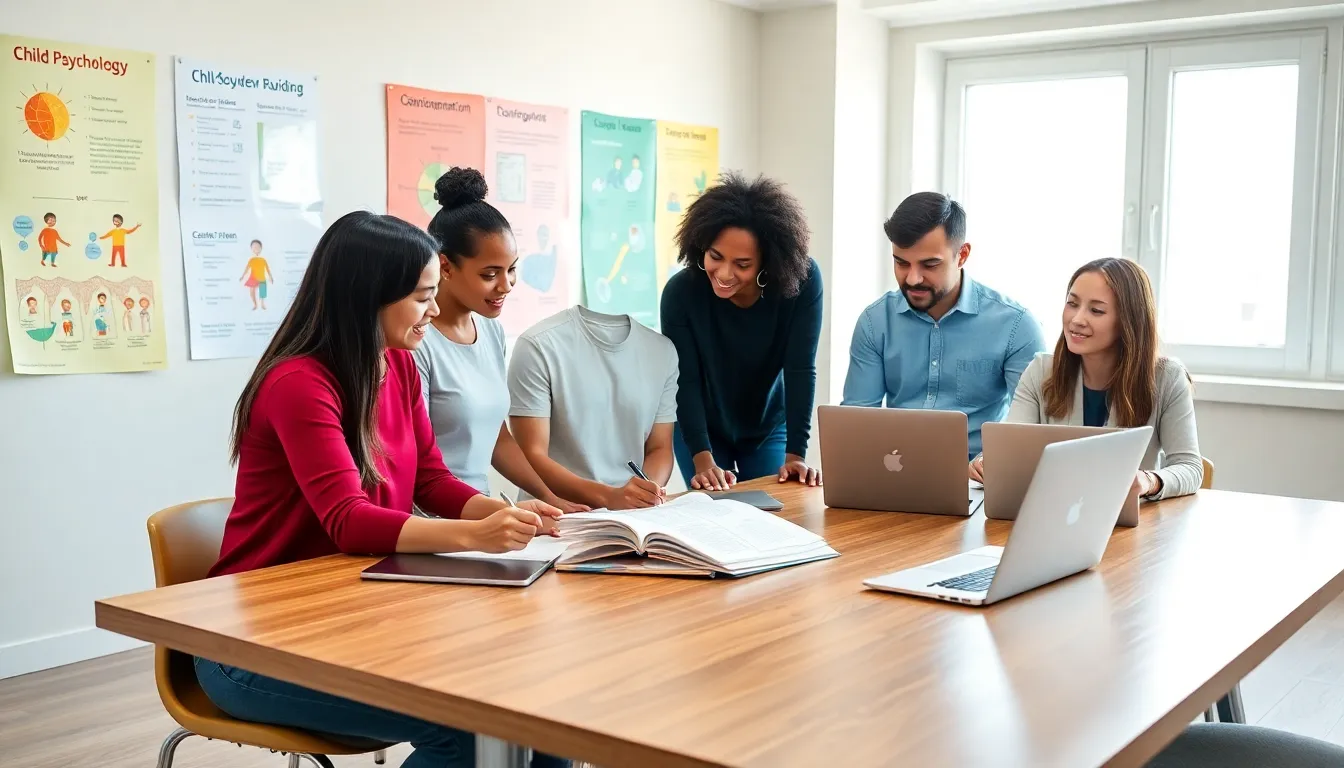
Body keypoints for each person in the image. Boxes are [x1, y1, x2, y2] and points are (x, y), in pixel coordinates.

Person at [194, 210, 566, 768]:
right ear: (368, 296)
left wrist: (501, 512)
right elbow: (349, 519)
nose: (435, 311)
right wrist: (477, 535)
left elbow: (430, 478)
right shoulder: (298, 383)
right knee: (466, 732)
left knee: (542, 718)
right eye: (422, 298)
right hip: (248, 644)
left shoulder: (399, 365)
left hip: (354, 615)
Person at [413, 167, 587, 516]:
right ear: (445, 267)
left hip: (480, 510)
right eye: (490, 274)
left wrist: (549, 499)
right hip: (429, 517)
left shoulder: (490, 331)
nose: (506, 285)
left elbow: (497, 435)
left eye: (512, 269)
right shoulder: (416, 341)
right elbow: (414, 458)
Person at [969, 257, 1203, 500]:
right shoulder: (1040, 370)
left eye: (1096, 310)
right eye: (1072, 304)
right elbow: (1009, 449)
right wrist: (987, 462)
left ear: (1129, 321)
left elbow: (1190, 468)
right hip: (1053, 513)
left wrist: (1148, 480)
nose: (1077, 319)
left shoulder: (1167, 377)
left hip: (1129, 525)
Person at [842, 192, 1045, 459]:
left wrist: (991, 463)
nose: (913, 279)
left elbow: (1033, 430)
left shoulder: (1016, 326)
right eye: (901, 263)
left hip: (980, 482)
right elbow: (856, 425)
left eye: (930, 264)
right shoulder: (875, 322)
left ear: (962, 255)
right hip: (896, 472)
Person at [660, 171, 823, 491]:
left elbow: (801, 368)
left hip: (767, 426)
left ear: (768, 262)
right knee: (714, 514)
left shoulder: (801, 283)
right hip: (699, 427)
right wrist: (703, 459)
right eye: (715, 257)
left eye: (742, 264)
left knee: (775, 509)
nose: (723, 273)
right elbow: (685, 380)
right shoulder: (680, 293)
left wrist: (796, 454)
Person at [509, 304, 679, 511]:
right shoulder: (537, 344)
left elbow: (659, 447)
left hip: (632, 516)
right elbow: (531, 455)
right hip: (556, 513)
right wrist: (609, 497)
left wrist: (645, 494)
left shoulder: (662, 351)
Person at [240, 239, 274, 310]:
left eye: (258, 247)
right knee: (252, 292)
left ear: (261, 248)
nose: (256, 249)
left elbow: (268, 270)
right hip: (253, 278)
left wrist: (270, 277)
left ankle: (262, 304)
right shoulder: (251, 260)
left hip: (262, 278)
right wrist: (242, 276)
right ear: (251, 249)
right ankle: (255, 304)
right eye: (254, 247)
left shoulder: (263, 260)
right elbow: (246, 269)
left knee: (262, 292)